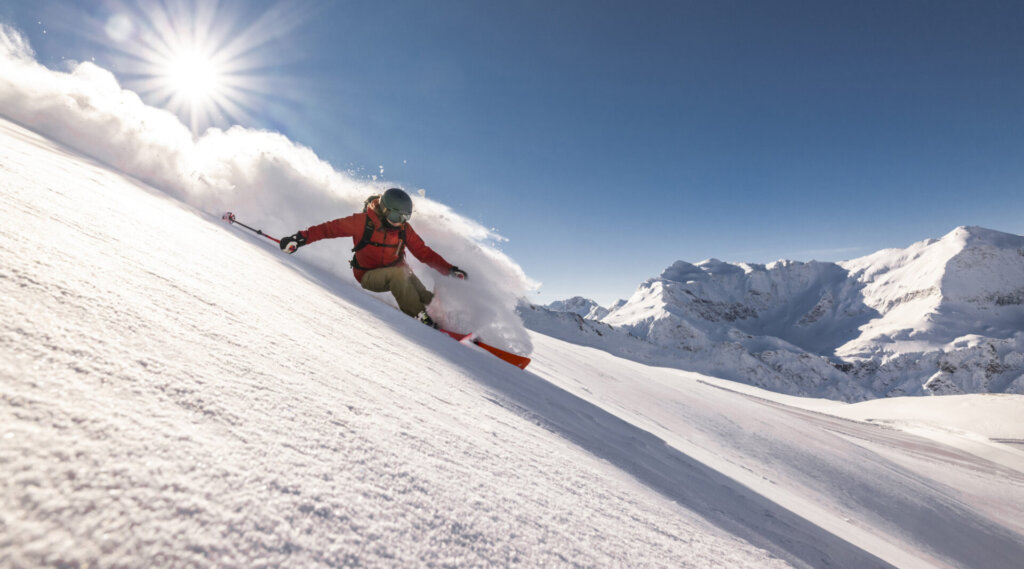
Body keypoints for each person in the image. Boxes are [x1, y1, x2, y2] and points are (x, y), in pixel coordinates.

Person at [278, 188, 467, 328]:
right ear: (384, 210)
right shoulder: (361, 223)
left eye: (404, 217)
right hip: (368, 275)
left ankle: (442, 315)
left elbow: (423, 252)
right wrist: (299, 239)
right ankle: (419, 316)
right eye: (395, 216)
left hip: (398, 270)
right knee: (399, 276)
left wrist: (450, 269)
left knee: (415, 284)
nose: (398, 222)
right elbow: (328, 229)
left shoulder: (403, 229)